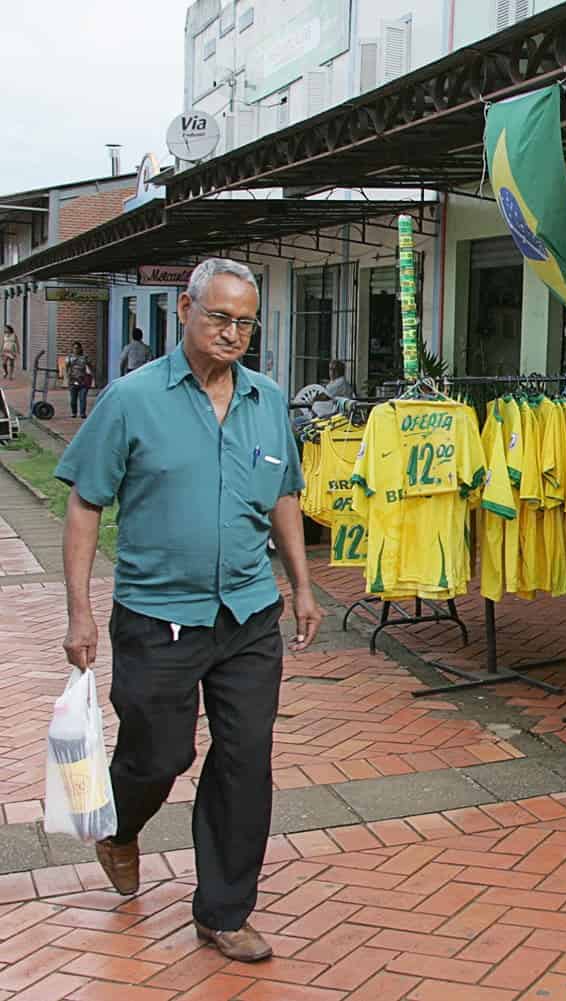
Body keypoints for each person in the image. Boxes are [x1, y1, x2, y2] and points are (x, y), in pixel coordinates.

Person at [57, 258, 322, 964]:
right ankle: (118, 828)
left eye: (245, 321)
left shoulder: (267, 401)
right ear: (184, 309)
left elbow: (284, 496)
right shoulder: (131, 398)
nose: (233, 332)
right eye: (220, 317)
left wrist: (301, 584)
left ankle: (224, 911)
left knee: (245, 760)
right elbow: (85, 501)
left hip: (247, 614)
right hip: (155, 616)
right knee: (160, 752)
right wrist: (79, 612)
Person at [64, 342, 94, 418]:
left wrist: (92, 377)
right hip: (73, 380)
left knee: (82, 398)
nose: (76, 350)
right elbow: (66, 368)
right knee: (73, 399)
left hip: (83, 380)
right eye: (74, 348)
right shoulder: (69, 358)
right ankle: (74, 412)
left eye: (77, 348)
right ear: (72, 349)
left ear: (80, 348)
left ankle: (82, 413)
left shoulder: (85, 357)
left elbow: (91, 367)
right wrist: (66, 377)